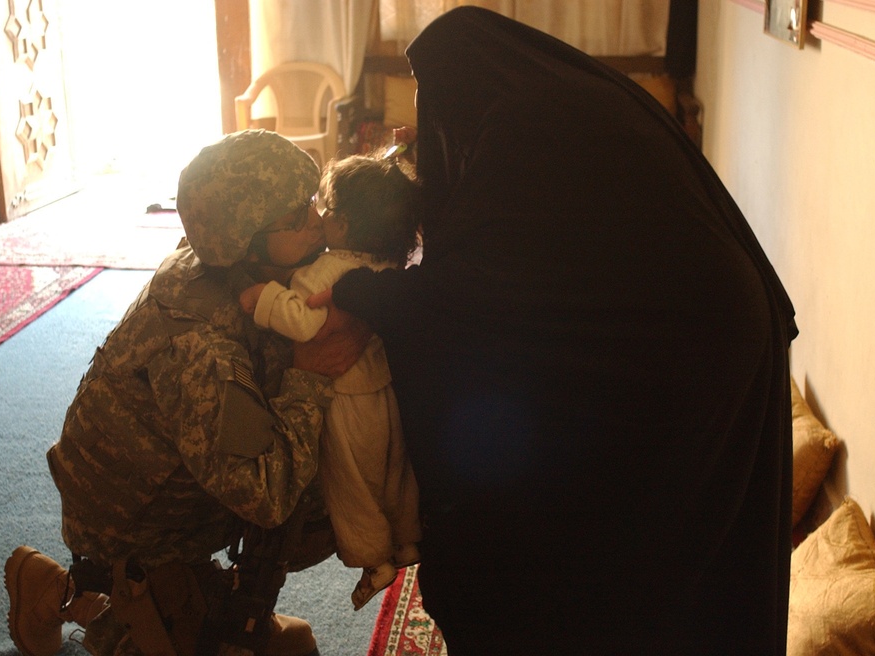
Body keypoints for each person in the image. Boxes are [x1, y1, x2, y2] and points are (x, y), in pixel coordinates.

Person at [315, 7, 798, 655]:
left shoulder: (526, 129)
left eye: (432, 100)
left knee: (616, 560)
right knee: (680, 560)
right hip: (705, 330)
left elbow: (463, 307)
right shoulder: (554, 99)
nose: (427, 124)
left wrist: (351, 287)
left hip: (693, 352)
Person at [4, 130, 368, 656]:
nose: (317, 222)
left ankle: (142, 595)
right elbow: (267, 495)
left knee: (327, 469)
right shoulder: (200, 349)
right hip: (130, 525)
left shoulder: (224, 264)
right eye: (296, 218)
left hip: (161, 489)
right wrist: (308, 375)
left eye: (311, 203)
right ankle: (82, 596)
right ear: (247, 240)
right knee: (307, 493)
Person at [240, 155, 422, 611]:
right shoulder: (387, 265)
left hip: (346, 398)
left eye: (320, 206)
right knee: (394, 470)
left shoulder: (325, 270)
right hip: (387, 390)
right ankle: (409, 543)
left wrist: (265, 298)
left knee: (351, 484)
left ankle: (373, 560)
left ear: (339, 225)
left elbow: (304, 323)